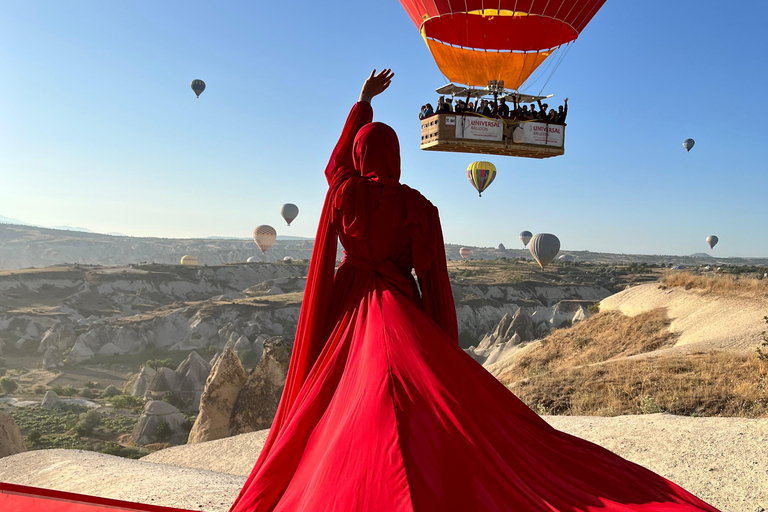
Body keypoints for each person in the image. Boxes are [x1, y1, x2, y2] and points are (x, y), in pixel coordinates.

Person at [228, 69, 721, 512]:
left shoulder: (343, 193)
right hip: (401, 305)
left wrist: (362, 104)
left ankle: (330, 471)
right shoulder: (420, 207)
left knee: (339, 395)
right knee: (415, 394)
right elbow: (434, 279)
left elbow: (334, 164)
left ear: (360, 154)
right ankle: (432, 463)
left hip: (349, 306)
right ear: (397, 157)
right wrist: (444, 345)